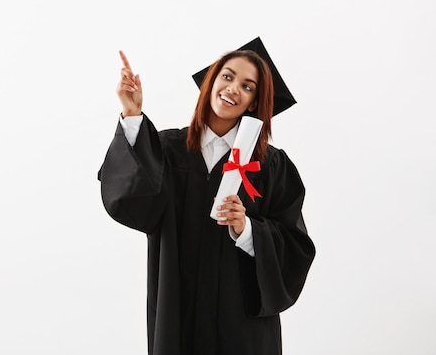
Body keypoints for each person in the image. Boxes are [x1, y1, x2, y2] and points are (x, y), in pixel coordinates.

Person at [97, 37, 316, 355]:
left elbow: (295, 248)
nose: (232, 88)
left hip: (241, 329)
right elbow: (132, 200)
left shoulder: (270, 166)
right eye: (227, 76)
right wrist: (132, 116)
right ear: (212, 81)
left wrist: (248, 229)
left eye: (247, 86)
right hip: (178, 316)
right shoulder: (167, 151)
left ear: (254, 102)